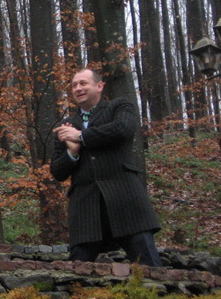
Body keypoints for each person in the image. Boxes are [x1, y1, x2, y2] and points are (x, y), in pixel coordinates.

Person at [50, 68, 162, 266]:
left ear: (99, 86)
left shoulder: (120, 106)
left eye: (83, 83)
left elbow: (122, 130)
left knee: (150, 268)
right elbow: (57, 172)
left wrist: (81, 136)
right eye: (74, 85)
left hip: (125, 200)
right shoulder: (65, 125)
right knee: (76, 274)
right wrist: (73, 153)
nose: (78, 88)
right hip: (86, 208)